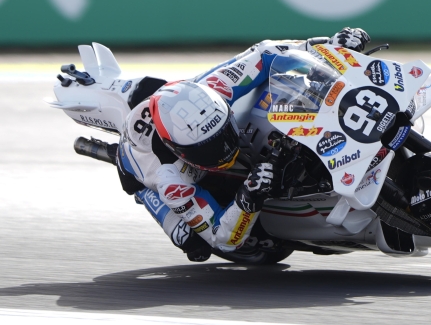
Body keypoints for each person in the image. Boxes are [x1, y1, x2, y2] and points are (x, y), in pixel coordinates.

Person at [116, 27, 371, 262]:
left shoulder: (217, 87)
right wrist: (248, 196)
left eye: (224, 133)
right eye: (208, 148)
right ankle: (150, 201)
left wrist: (327, 46)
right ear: (179, 151)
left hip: (176, 101)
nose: (226, 150)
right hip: (136, 166)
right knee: (193, 242)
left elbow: (266, 52)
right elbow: (222, 238)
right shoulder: (169, 180)